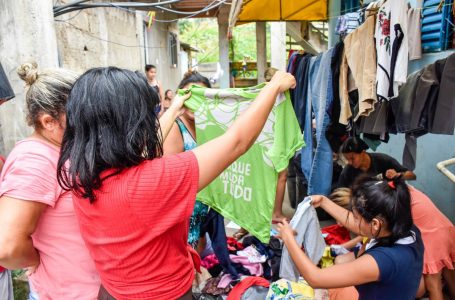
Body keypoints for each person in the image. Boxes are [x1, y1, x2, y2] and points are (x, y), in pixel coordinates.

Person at [56, 67, 296, 299]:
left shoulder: (80, 173)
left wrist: (173, 111)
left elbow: (141, 150)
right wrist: (273, 87)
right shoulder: (154, 180)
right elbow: (237, 142)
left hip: (111, 292)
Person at [0, 62, 100, 299]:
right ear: (48, 122)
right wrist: (37, 261)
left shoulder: (63, 150)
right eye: (80, 115)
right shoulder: (34, 160)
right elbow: (7, 246)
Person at [277, 176, 424, 300]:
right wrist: (323, 201)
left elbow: (315, 278)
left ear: (375, 224)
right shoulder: (405, 228)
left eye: (355, 217)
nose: (351, 221)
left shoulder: (381, 261)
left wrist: (290, 240)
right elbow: (359, 226)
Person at [163, 70, 211, 252]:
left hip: (200, 214)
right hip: (182, 218)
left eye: (202, 96)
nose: (195, 102)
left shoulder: (205, 127)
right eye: (191, 95)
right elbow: (168, 182)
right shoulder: (176, 129)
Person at [337, 136, 416, 188]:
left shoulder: (383, 160)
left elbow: (412, 176)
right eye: (347, 159)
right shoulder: (347, 172)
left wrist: (397, 175)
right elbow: (340, 193)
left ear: (363, 152)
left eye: (352, 158)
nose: (349, 162)